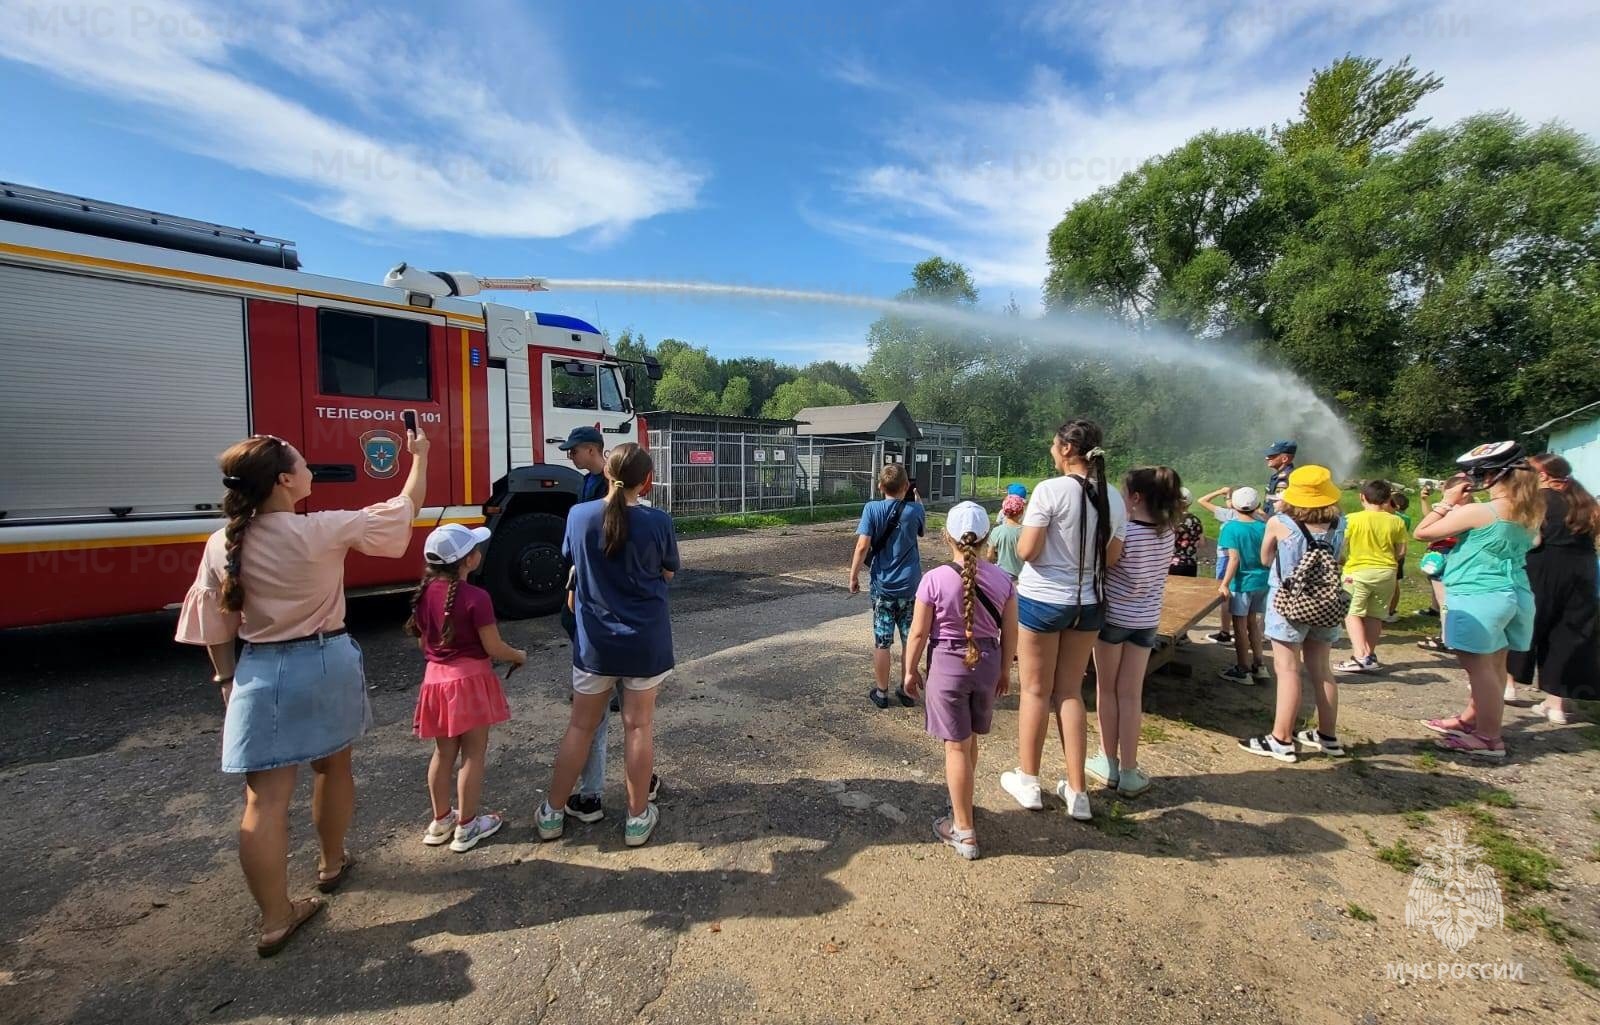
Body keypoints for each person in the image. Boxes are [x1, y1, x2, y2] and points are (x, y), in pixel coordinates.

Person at [175, 429, 428, 956]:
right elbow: (406, 507)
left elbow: (217, 624)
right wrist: (419, 457)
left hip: (258, 671)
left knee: (262, 799)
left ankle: (274, 919)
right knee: (333, 768)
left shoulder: (222, 543)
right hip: (325, 661)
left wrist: (226, 682)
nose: (312, 470)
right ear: (286, 481)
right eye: (304, 465)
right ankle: (332, 862)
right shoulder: (322, 530)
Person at [538, 443, 678, 847]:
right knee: (638, 727)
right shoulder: (658, 521)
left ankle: (551, 815)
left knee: (580, 727)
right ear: (646, 480)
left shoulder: (578, 516)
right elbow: (667, 574)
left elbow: (574, 562)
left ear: (607, 472)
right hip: (645, 644)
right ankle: (637, 819)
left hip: (594, 644)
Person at [1000, 419, 1128, 822]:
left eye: (1055, 446)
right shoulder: (1113, 498)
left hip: (1042, 602)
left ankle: (1030, 780)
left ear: (1068, 450)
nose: (1052, 451)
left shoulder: (1049, 491)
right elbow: (1111, 558)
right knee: (1070, 692)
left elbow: (1027, 551)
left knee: (1036, 691)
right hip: (1089, 604)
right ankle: (1078, 790)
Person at [903, 502, 1018, 859]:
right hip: (987, 664)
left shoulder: (933, 579)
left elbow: (919, 633)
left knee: (955, 745)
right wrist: (1004, 670)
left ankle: (963, 830)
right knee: (969, 742)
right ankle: (962, 804)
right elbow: (1010, 631)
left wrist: (909, 670)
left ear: (947, 536)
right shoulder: (1003, 580)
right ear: (986, 538)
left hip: (949, 666)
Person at [1416, 442, 1541, 760]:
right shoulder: (1528, 510)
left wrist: (1445, 502)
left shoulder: (1479, 512)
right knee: (1495, 666)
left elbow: (1422, 532)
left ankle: (1488, 737)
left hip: (1477, 595)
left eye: (1480, 474)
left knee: (1479, 669)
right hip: (1513, 593)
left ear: (1491, 476)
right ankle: (1472, 720)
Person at [406, 524, 523, 852]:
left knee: (443, 754)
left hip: (435, 681)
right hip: (470, 682)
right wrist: (519, 655)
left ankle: (440, 820)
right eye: (475, 549)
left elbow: (422, 643)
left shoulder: (423, 594)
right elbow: (494, 647)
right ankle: (468, 825)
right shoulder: (477, 598)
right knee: (473, 754)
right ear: (468, 560)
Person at [1237, 465, 1347, 764]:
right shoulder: (1341, 523)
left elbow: (1265, 558)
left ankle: (1282, 739)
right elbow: (1341, 558)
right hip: (1325, 603)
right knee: (1322, 669)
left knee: (1287, 671)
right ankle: (1328, 736)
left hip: (1288, 602)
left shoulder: (1280, 522)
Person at [1088, 467, 1182, 798]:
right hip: (1146, 623)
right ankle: (1129, 769)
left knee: (1106, 690)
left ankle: (1107, 760)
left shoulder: (1125, 532)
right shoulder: (1167, 532)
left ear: (1136, 498)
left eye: (1125, 493)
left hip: (1113, 619)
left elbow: (1105, 564)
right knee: (1131, 694)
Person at [1505, 454, 1599, 722]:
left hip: (1543, 566)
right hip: (1583, 569)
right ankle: (1556, 705)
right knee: (1567, 633)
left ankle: (1508, 684)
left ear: (1543, 475)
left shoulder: (1538, 499)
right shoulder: (1586, 501)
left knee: (1525, 623)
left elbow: (1534, 540)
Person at [849, 464, 927, 709]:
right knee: (909, 639)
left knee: (882, 641)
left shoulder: (871, 509)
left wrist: (853, 575)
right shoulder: (915, 511)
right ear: (906, 486)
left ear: (880, 486)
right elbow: (922, 530)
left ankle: (882, 693)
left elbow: (862, 546)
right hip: (910, 586)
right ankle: (906, 688)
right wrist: (917, 499)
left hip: (883, 586)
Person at [1336, 480, 1408, 674]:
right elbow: (1401, 551)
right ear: (1387, 499)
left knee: (1352, 612)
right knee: (1376, 615)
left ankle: (1360, 656)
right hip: (1387, 572)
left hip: (1357, 571)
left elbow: (1340, 546)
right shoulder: (1397, 520)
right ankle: (1370, 654)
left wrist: (1343, 560)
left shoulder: (1352, 519)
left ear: (1362, 497)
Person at [1216, 487, 1271, 684]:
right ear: (1257, 505)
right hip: (1263, 581)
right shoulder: (1264, 526)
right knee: (1253, 624)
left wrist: (1224, 583)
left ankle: (1243, 669)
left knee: (1239, 626)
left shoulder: (1231, 528)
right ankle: (1259, 664)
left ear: (1234, 506)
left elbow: (1234, 559)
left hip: (1242, 583)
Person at [1415, 476, 1467, 652]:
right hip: (1460, 557)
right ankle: (1453, 635)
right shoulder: (1474, 509)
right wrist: (1425, 500)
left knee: (1444, 600)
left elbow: (1426, 528)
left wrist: (1444, 504)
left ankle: (1447, 638)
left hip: (1444, 553)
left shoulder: (1453, 510)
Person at [1195, 487, 1241, 645]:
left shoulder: (1227, 514)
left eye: (1228, 498)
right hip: (1244, 559)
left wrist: (1219, 491)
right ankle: (1242, 631)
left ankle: (1225, 632)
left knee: (1224, 594)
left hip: (1226, 558)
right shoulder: (1254, 517)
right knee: (1239, 593)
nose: (1226, 501)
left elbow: (1202, 500)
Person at [561, 425, 609, 502]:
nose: (570, 457)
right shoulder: (586, 480)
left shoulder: (613, 481)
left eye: (574, 452)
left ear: (591, 451)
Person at [1386, 492, 1413, 622]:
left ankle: (1389, 610)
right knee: (1394, 582)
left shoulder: (1397, 518)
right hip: (1399, 553)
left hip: (1392, 552)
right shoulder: (1406, 518)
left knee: (1393, 583)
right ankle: (1390, 611)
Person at [987, 493, 1026, 580]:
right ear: (1022, 512)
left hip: (1004, 574)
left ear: (1004, 512)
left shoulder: (997, 531)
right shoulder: (1026, 531)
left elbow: (990, 555)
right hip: (1023, 574)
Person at [1170, 487, 1203, 578]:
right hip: (1190, 564)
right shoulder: (1196, 520)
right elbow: (1202, 543)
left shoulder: (1170, 520)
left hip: (1172, 562)